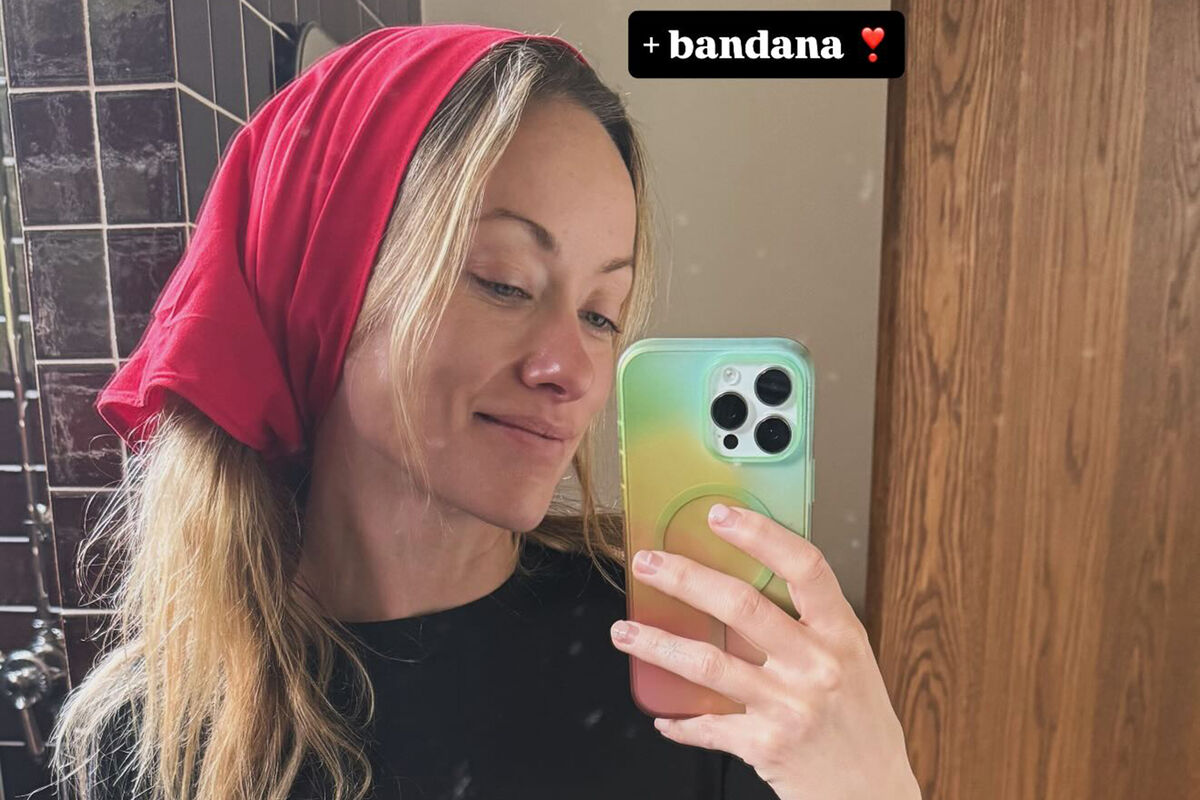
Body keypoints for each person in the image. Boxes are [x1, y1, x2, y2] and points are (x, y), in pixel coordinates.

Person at [44, 24, 919, 800]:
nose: (570, 369)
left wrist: (871, 788)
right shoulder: (148, 740)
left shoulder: (694, 665)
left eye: (601, 315)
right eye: (505, 283)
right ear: (324, 285)